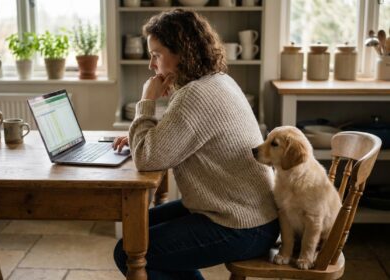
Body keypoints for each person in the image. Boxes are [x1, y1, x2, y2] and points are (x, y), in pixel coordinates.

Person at [113, 8, 279, 280]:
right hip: (247, 213)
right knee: (137, 228)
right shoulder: (217, 80)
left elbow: (147, 158)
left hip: (243, 225)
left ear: (181, 52)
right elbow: (168, 143)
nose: (151, 65)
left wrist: (147, 102)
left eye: (156, 55)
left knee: (129, 251)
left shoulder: (194, 96)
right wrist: (141, 138)